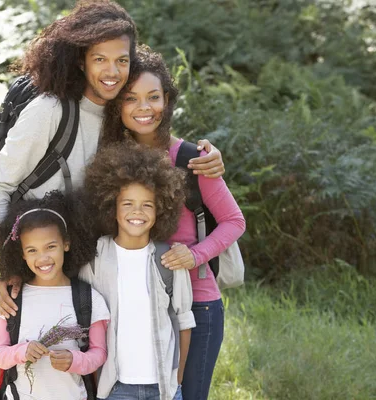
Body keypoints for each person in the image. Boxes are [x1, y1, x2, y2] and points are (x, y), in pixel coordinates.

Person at [0, 0, 226, 319]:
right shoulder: (50, 110)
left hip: (90, 279)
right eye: (100, 59)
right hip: (38, 273)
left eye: (121, 60)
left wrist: (207, 155)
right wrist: (9, 266)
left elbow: (156, 139)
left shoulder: (116, 114)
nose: (112, 72)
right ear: (82, 61)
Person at [100, 45, 247, 399]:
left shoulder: (192, 159)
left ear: (167, 100)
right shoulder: (108, 159)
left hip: (196, 303)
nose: (144, 108)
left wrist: (195, 254)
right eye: (131, 98)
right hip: (132, 302)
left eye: (153, 97)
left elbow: (233, 220)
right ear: (118, 105)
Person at [80, 143, 194, 400]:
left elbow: (184, 321)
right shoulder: (95, 257)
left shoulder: (170, 258)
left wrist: (178, 378)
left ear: (160, 209)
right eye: (127, 203)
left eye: (147, 205)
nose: (137, 213)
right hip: (115, 388)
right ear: (112, 206)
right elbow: (85, 320)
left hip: (164, 388)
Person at [0, 191, 109, 400]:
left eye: (51, 247)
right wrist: (21, 351)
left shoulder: (88, 298)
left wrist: (74, 360)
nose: (43, 258)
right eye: (32, 250)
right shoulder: (13, 298)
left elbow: (99, 353)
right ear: (23, 254)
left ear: (66, 244)